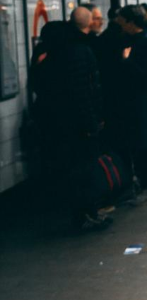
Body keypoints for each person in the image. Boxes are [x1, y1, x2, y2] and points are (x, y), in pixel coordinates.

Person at [31, 13, 108, 232]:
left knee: (69, 171)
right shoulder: (78, 52)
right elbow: (85, 92)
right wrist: (93, 122)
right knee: (85, 171)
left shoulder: (46, 58)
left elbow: (39, 88)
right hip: (79, 124)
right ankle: (87, 214)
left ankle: (81, 213)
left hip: (55, 125)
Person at [110, 5, 147, 203]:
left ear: (131, 22)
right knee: (130, 144)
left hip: (139, 102)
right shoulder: (125, 40)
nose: (118, 24)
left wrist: (127, 61)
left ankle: (146, 186)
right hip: (126, 102)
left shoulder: (146, 43)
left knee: (142, 144)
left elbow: (146, 76)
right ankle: (133, 185)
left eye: (121, 20)